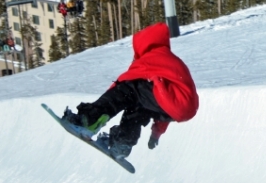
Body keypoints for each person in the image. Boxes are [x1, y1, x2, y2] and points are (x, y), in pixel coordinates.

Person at [63, 22, 199, 159]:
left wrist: (102, 103)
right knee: (139, 103)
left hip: (171, 102)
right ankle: (122, 143)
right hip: (184, 109)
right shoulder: (168, 58)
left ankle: (89, 120)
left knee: (128, 90)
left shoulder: (151, 57)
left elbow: (124, 82)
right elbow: (173, 102)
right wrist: (156, 133)